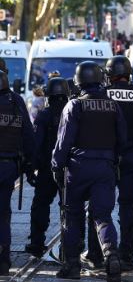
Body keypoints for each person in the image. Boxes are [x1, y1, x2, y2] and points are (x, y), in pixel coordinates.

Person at [52, 61, 127, 281]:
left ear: (78, 81)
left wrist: (57, 165)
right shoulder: (113, 105)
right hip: (105, 167)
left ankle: (72, 266)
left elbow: (63, 141)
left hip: (78, 168)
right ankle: (111, 254)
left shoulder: (74, 106)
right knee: (103, 215)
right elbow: (123, 140)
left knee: (73, 216)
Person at [83, 56, 133, 271]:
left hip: (105, 157)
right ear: (129, 73)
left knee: (98, 208)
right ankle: (125, 256)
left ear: (108, 74)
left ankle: (95, 254)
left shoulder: (102, 94)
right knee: (128, 207)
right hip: (131, 157)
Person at [25, 78, 70, 258]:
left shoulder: (44, 115)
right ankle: (72, 244)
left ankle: (37, 243)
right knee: (70, 208)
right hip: (70, 169)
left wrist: (30, 169)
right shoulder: (74, 111)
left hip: (47, 169)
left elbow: (36, 144)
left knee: (41, 205)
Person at [0, 69, 35, 275]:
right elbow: (28, 135)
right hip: (8, 166)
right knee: (3, 214)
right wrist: (30, 165)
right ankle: (3, 261)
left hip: (8, 163)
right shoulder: (16, 101)